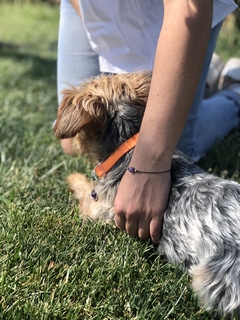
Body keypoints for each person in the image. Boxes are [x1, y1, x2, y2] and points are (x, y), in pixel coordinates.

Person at [57, 0, 240, 243]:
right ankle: (205, 77)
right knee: (72, 141)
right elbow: (66, 127)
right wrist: (105, 31)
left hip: (177, 13)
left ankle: (233, 95)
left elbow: (187, 7)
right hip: (95, 6)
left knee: (180, 143)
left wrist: (149, 166)